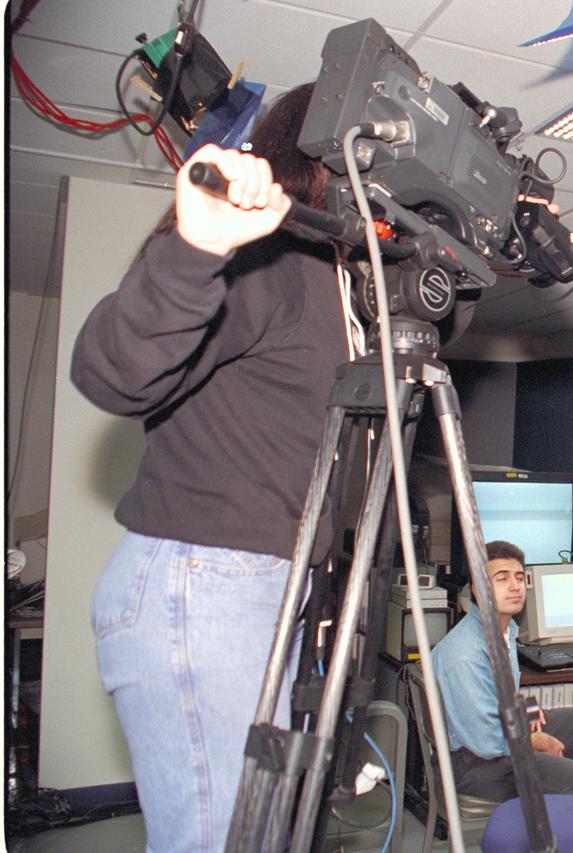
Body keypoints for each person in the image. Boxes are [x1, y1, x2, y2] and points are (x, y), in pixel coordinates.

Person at [70, 84, 348, 851]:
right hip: (206, 581)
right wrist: (197, 250)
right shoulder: (273, 259)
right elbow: (109, 371)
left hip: (268, 587)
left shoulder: (345, 287)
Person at [431, 540, 573, 801]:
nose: (515, 586)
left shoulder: (506, 631)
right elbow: (486, 742)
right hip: (473, 766)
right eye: (502, 578)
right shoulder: (466, 654)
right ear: (477, 590)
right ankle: (565, 800)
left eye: (519, 577)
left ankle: (562, 804)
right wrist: (537, 741)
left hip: (496, 736)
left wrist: (524, 708)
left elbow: (496, 697)